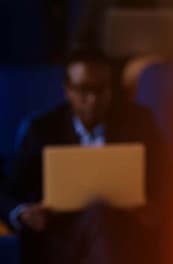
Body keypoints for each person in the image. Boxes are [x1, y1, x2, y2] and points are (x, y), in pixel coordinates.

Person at [0, 52, 163, 264]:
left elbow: (166, 178)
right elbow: (8, 188)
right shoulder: (43, 129)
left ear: (111, 89)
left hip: (123, 232)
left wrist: (156, 208)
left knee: (102, 217)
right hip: (61, 238)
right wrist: (22, 213)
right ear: (67, 90)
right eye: (84, 90)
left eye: (101, 90)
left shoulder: (139, 122)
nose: (93, 99)